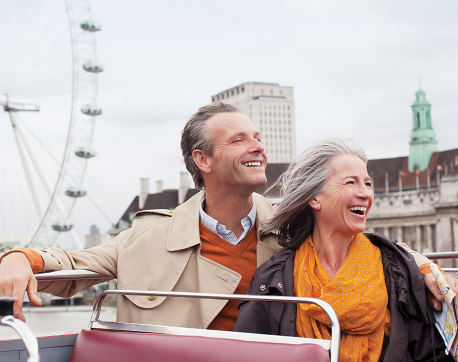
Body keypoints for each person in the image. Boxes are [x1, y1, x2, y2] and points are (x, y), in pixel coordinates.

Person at [0, 106, 453, 331]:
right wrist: (21, 258)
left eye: (258, 136)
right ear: (204, 160)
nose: (258, 146)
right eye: (240, 139)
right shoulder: (147, 236)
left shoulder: (292, 221)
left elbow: (368, 245)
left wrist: (430, 268)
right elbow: (74, 263)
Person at [234, 138, 452, 361]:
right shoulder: (273, 278)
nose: (365, 193)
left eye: (367, 184)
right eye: (351, 183)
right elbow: (247, 353)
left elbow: (432, 353)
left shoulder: (398, 271)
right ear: (314, 197)